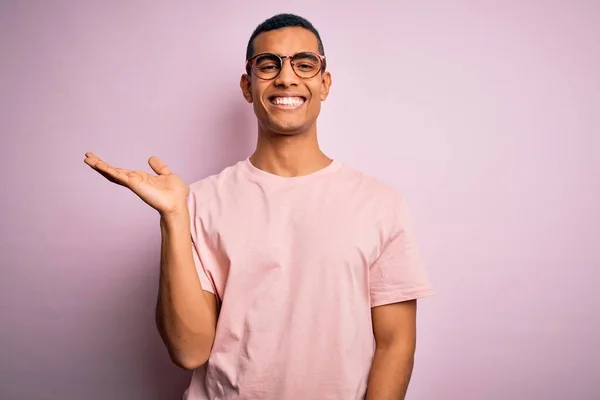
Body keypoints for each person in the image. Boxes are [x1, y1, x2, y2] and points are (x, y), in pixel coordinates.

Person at [84, 13, 433, 400]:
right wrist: (173, 217)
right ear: (248, 87)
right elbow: (189, 349)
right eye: (269, 65)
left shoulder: (380, 204)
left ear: (325, 82)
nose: (286, 77)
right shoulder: (198, 202)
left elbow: (396, 344)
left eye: (304, 64)